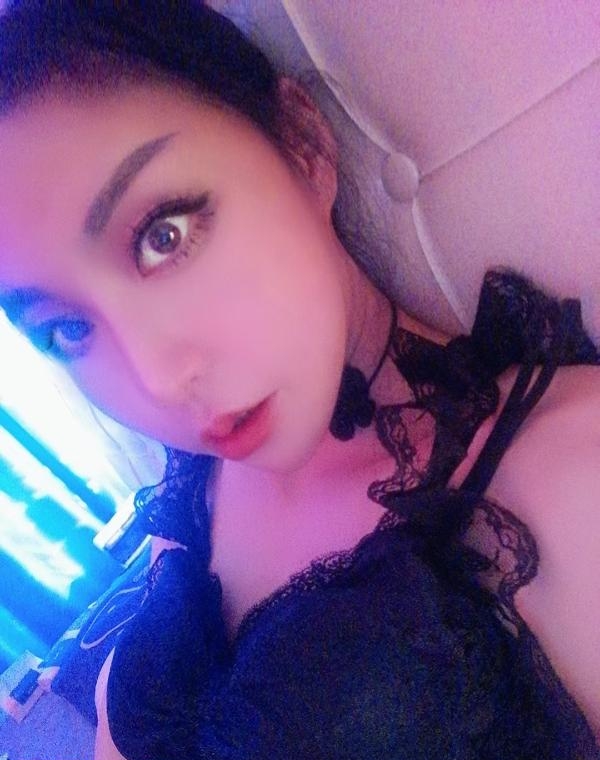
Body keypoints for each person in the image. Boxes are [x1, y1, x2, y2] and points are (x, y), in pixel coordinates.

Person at [0, 2, 599, 758]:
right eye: (67, 329)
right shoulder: (197, 479)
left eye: (163, 236)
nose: (156, 382)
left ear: (303, 143)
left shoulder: (567, 480)